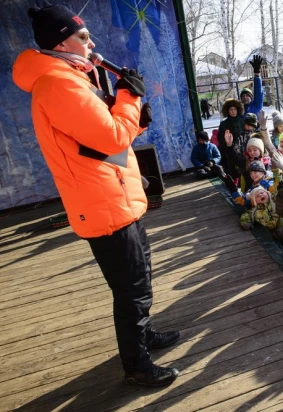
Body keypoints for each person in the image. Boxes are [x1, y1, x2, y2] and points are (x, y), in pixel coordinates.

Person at [13, 5, 179, 386]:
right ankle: (137, 365)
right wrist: (129, 100)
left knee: (140, 279)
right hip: (103, 204)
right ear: (61, 41)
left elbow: (100, 146)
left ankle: (144, 336)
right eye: (84, 37)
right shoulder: (59, 84)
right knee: (130, 289)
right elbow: (109, 138)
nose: (92, 43)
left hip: (115, 196)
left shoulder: (69, 78)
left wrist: (136, 119)